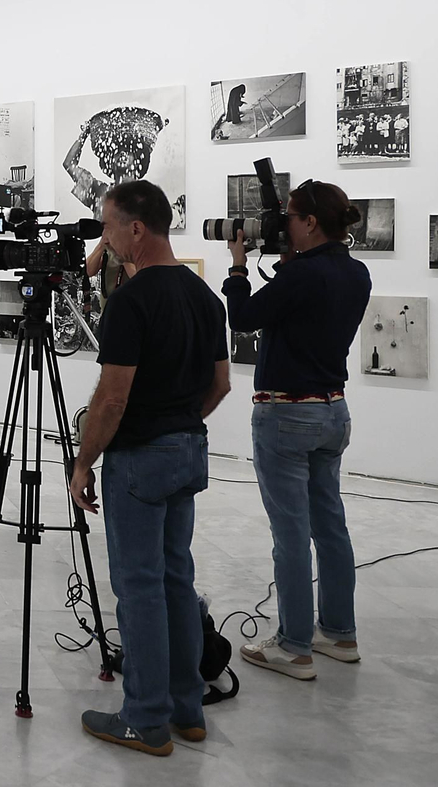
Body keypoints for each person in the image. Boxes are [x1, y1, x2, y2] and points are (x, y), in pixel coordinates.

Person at [70, 180, 231, 757]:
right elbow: (221, 384)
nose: (105, 238)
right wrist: (182, 419)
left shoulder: (131, 302)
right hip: (189, 450)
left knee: (138, 588)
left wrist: (83, 462)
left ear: (136, 229)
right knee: (175, 581)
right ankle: (188, 710)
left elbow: (112, 399)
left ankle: (143, 718)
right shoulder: (205, 297)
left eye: (108, 226)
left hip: (140, 458)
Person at [222, 180, 371, 679]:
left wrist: (240, 267)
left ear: (309, 222)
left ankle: (293, 646)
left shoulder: (301, 277)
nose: (282, 224)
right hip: (333, 411)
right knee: (330, 527)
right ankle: (339, 633)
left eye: (288, 216)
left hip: (286, 414)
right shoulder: (357, 273)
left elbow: (241, 318)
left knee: (290, 535)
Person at [85, 232, 136, 299]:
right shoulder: (108, 248)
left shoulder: (138, 246)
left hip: (132, 301)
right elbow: (89, 271)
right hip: (108, 301)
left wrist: (122, 255)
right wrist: (102, 244)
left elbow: (140, 277)